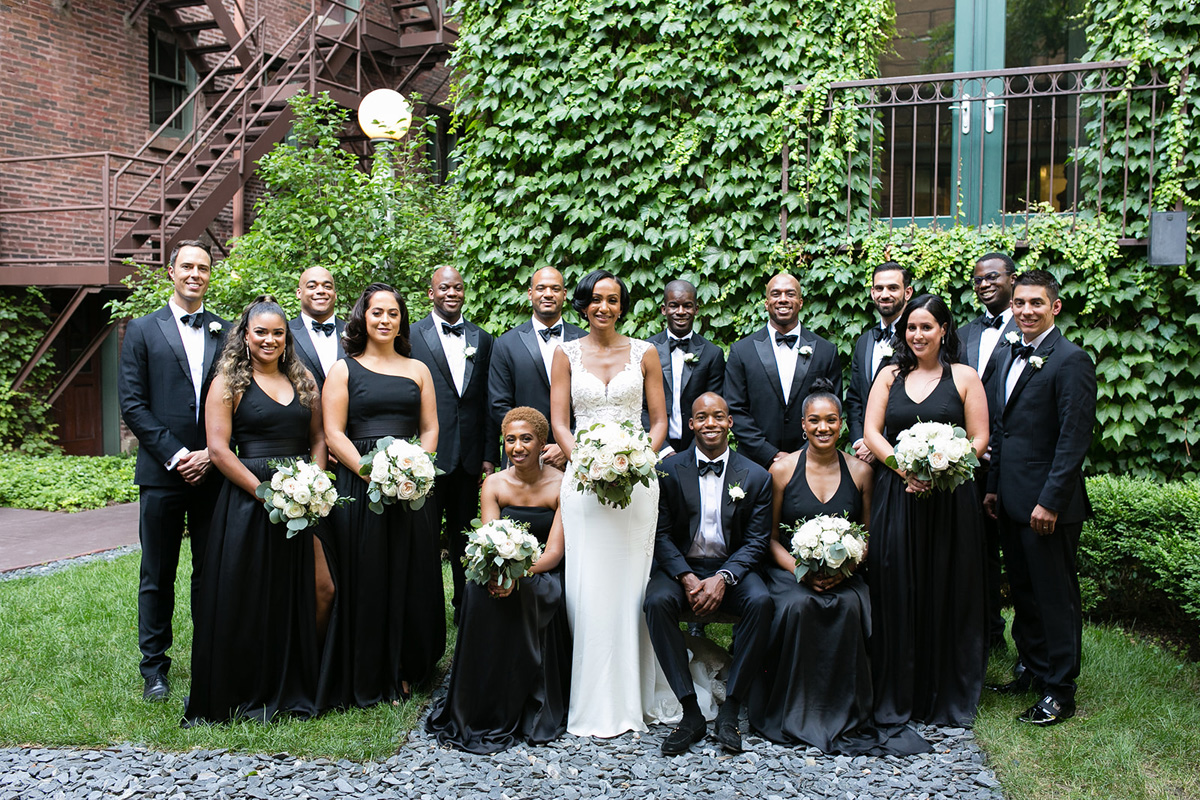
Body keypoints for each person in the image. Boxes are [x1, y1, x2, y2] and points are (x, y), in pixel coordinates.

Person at [748, 380, 929, 756]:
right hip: (790, 575)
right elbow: (769, 540)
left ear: (843, 424)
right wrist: (803, 569)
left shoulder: (861, 473)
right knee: (799, 607)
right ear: (803, 424)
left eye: (831, 420)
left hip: (846, 577)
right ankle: (793, 708)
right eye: (814, 421)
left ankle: (846, 709)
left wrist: (844, 569)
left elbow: (867, 535)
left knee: (847, 608)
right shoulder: (781, 470)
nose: (823, 428)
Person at [183, 296, 334, 725]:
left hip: (303, 498)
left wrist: (312, 485)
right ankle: (250, 686)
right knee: (249, 596)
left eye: (278, 333)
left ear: (287, 338)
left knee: (317, 588)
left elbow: (319, 438)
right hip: (251, 501)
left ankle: (301, 680)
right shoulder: (228, 382)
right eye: (261, 332)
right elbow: (218, 449)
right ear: (245, 336)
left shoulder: (303, 377)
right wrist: (268, 494)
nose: (269, 340)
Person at [550, 269, 672, 738]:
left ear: (623, 306)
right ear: (582, 304)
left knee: (629, 585)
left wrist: (638, 459)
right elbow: (561, 421)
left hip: (638, 481)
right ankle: (591, 696)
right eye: (596, 299)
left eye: (613, 300)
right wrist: (584, 459)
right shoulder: (566, 354)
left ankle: (634, 694)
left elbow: (659, 421)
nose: (604, 307)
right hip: (583, 480)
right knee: (587, 584)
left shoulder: (645, 352)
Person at [862, 293, 990, 727]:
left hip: (951, 501)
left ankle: (945, 690)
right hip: (898, 498)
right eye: (911, 327)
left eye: (926, 327)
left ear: (943, 330)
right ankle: (900, 686)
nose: (917, 334)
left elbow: (979, 438)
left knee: (947, 585)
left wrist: (944, 467)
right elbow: (872, 433)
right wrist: (904, 470)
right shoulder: (889, 375)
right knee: (897, 586)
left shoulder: (965, 377)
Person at [117, 239, 229, 702]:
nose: (195, 274)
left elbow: (235, 397)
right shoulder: (142, 330)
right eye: (187, 266)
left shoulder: (225, 331)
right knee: (157, 573)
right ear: (171, 271)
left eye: (203, 268)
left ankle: (207, 656)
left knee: (210, 569)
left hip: (212, 470)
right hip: (163, 473)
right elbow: (132, 404)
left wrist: (209, 453)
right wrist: (177, 454)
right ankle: (154, 669)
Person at [322, 283, 444, 707]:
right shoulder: (344, 370)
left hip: (413, 485)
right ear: (363, 317)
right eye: (377, 312)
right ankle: (370, 668)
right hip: (361, 484)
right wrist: (371, 472)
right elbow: (333, 432)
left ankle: (408, 666)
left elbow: (430, 428)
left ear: (401, 320)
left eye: (393, 313)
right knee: (368, 573)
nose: (385, 319)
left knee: (410, 571)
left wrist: (415, 465)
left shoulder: (418, 370)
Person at [984, 270, 1096, 726]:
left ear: (1055, 307)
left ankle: (1060, 690)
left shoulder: (1070, 360)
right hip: (1011, 501)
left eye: (1036, 303)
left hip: (1048, 507)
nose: (1026, 310)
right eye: (1020, 303)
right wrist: (993, 488)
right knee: (1025, 593)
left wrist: (1050, 501)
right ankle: (1032, 667)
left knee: (1055, 596)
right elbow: (1003, 431)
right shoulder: (1013, 353)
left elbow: (1074, 438)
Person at [426, 407, 571, 753]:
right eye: (510, 440)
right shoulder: (494, 483)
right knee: (477, 593)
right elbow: (488, 539)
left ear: (542, 444)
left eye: (526, 439)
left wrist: (517, 575)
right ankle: (479, 700)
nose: (518, 447)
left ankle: (524, 698)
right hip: (500, 568)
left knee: (527, 593)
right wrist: (497, 574)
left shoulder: (562, 485)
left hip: (540, 573)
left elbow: (553, 554)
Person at [645, 392, 773, 755]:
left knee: (762, 601)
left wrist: (723, 578)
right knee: (655, 602)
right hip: (681, 570)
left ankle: (732, 708)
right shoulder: (667, 471)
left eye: (718, 416)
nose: (710, 423)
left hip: (731, 569)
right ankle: (690, 712)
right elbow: (660, 533)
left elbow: (756, 541)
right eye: (702, 417)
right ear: (691, 424)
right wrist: (686, 577)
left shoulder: (757, 476)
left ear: (730, 422)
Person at [410, 265, 499, 619]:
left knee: (466, 536)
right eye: (444, 288)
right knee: (426, 539)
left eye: (458, 288)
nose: (451, 293)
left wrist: (489, 454)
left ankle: (466, 608)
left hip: (470, 457)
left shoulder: (483, 339)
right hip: (426, 456)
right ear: (431, 293)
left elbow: (488, 402)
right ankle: (426, 612)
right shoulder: (412, 335)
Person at [958, 252, 1020, 651]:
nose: (983, 284)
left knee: (1015, 554)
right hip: (965, 462)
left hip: (1010, 460)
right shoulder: (964, 333)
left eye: (992, 277)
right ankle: (986, 630)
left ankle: (1028, 647)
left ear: (1012, 280)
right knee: (975, 551)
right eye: (978, 279)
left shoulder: (1030, 327)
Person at [725, 273, 842, 469]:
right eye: (776, 294)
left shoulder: (826, 352)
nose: (783, 299)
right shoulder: (741, 351)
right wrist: (769, 454)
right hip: (755, 464)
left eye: (790, 294)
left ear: (801, 302)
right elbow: (735, 409)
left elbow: (833, 409)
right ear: (766, 302)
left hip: (812, 463)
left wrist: (804, 454)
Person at [489, 267, 585, 470]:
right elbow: (499, 405)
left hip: (578, 458)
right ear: (530, 293)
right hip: (522, 458)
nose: (548, 294)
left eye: (555, 288)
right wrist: (530, 444)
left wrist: (567, 445)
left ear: (564, 294)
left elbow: (594, 404)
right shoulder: (505, 344)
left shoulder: (585, 341)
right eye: (541, 288)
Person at [644, 280, 725, 458]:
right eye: (674, 306)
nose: (681, 312)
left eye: (687, 306)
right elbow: (640, 406)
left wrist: (691, 452)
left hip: (696, 448)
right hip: (654, 447)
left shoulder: (712, 354)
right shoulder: (645, 350)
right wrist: (662, 448)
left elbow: (714, 407)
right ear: (664, 309)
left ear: (696, 309)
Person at [845, 262, 912, 463]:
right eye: (879, 288)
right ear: (872, 292)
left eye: (893, 288)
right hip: (863, 454)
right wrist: (861, 440)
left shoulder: (917, 339)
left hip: (902, 452)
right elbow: (855, 398)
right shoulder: (864, 341)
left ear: (907, 292)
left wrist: (879, 445)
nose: (885, 294)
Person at [289, 266, 345, 388]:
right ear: (299, 293)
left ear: (335, 295)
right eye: (312, 286)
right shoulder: (284, 332)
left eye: (327, 287)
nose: (321, 291)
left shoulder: (353, 332)